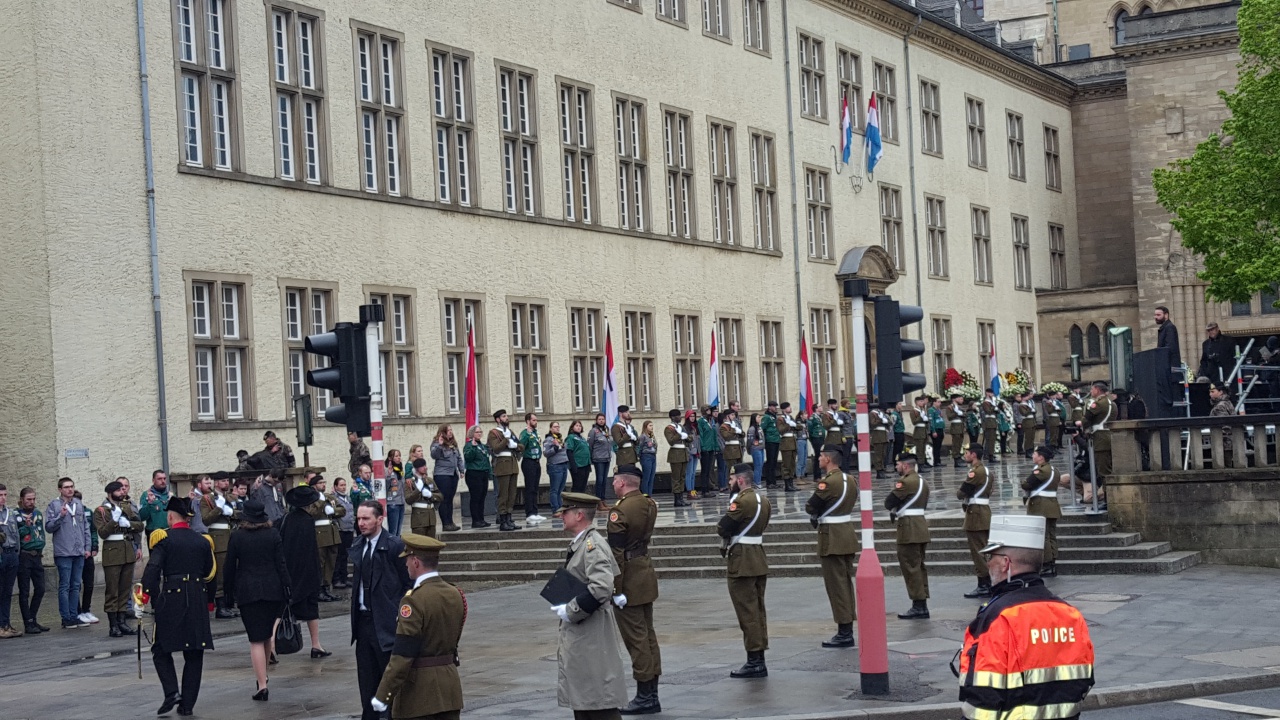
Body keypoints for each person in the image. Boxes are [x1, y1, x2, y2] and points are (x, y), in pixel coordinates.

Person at [956, 515, 1095, 720]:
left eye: (990, 557)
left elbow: (982, 699)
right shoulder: (1070, 615)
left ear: (1005, 563)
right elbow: (1083, 682)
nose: (988, 565)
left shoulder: (999, 618)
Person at [551, 492, 630, 720]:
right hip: (584, 634)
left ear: (578, 515)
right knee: (586, 700)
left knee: (598, 700)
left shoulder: (592, 545)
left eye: (566, 512)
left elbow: (602, 587)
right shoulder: (582, 544)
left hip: (591, 632)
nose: (561, 516)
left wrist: (570, 610)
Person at [370, 533, 466, 720]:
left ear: (415, 562)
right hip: (450, 689)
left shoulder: (413, 600)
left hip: (420, 695)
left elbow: (403, 655)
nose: (405, 565)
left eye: (407, 559)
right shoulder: (455, 593)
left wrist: (384, 695)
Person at [140, 497, 215, 716]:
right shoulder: (203, 541)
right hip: (198, 596)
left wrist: (148, 597)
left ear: (170, 517)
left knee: (161, 648)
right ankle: (187, 705)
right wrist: (210, 602)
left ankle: (172, 691)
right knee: (194, 652)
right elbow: (210, 575)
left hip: (172, 597)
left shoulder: (164, 539)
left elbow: (152, 570)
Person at [606, 466, 662, 714]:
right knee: (648, 636)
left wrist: (615, 588)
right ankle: (652, 692)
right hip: (644, 572)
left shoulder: (620, 511)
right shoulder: (649, 504)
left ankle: (645, 696)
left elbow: (616, 554)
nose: (613, 483)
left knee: (636, 639)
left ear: (622, 483)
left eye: (615, 479)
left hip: (628, 578)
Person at [222, 499, 289, 702]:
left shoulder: (237, 537)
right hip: (273, 588)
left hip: (248, 590)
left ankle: (261, 685)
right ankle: (264, 676)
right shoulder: (273, 534)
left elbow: (229, 567)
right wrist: (287, 588)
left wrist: (227, 593)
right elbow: (281, 563)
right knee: (267, 635)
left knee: (255, 639)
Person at [351, 501, 411, 720]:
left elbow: (408, 583)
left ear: (380, 518)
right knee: (367, 681)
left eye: (366, 519)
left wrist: (398, 612)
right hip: (363, 623)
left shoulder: (393, 546)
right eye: (359, 519)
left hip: (386, 623)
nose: (361, 523)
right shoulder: (359, 545)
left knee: (388, 681)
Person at [717, 463, 771, 677]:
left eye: (731, 480)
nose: (729, 483)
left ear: (740, 480)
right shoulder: (763, 500)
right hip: (758, 556)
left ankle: (755, 660)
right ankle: (759, 657)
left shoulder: (740, 502)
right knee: (758, 610)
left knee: (747, 612)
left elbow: (722, 527)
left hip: (742, 561)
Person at [806, 448, 859, 648]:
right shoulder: (850, 480)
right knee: (845, 583)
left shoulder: (827, 482)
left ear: (828, 459)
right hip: (847, 533)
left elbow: (811, 506)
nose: (819, 459)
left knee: (837, 586)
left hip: (832, 538)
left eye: (820, 456)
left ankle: (844, 631)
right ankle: (846, 628)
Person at [280, 484, 330, 658]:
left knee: (282, 610)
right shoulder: (307, 521)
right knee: (311, 608)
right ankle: (316, 645)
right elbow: (311, 551)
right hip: (307, 572)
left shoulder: (286, 519)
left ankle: (270, 648)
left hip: (289, 570)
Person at [94, 480, 144, 636]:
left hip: (127, 551)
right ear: (110, 493)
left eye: (123, 490)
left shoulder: (126, 508)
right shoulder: (101, 511)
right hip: (112, 553)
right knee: (112, 590)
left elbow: (140, 525)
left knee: (124, 589)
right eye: (119, 490)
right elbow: (102, 533)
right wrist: (114, 521)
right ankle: (113, 625)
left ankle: (122, 622)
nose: (123, 492)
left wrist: (128, 524)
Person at [885, 453, 931, 620]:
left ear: (905, 465)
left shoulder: (904, 482)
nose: (896, 467)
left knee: (911, 567)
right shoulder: (923, 482)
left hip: (909, 529)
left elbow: (888, 502)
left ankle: (918, 605)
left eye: (898, 464)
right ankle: (922, 603)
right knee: (919, 566)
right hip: (920, 526)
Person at [45, 477, 92, 629]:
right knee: (64, 585)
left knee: (76, 585)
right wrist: (61, 516)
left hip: (79, 551)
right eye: (66, 487)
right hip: (64, 552)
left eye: (71, 486)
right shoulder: (54, 505)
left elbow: (85, 527)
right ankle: (66, 618)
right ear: (60, 489)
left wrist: (87, 547)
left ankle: (74, 615)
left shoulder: (78, 504)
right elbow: (49, 527)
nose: (70, 489)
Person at [200, 471, 238, 619]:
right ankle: (220, 607)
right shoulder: (207, 499)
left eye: (227, 481)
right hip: (218, 539)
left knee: (231, 572)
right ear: (216, 483)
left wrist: (232, 513)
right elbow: (206, 519)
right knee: (220, 574)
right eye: (222, 481)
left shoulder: (229, 497)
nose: (225, 483)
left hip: (232, 537)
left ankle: (229, 604)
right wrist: (219, 508)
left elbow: (238, 514)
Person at [956, 447, 993, 598]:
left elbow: (961, 493)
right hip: (984, 511)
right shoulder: (988, 471)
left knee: (978, 551)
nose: (965, 455)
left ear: (974, 455)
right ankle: (988, 581)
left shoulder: (975, 472)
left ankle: (984, 584)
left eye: (967, 453)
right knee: (984, 549)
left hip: (975, 514)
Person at [1023, 445, 1062, 578]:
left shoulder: (1041, 471)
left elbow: (1026, 484)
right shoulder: (1054, 470)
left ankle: (1047, 564)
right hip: (1052, 506)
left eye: (1034, 454)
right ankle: (1052, 563)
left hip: (1041, 507)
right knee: (1051, 535)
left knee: (1044, 537)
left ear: (1041, 457)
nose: (1033, 456)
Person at [306, 475, 346, 601]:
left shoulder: (329, 496)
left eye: (324, 482)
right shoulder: (311, 498)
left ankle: (326, 588)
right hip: (319, 534)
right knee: (320, 562)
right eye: (320, 483)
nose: (323, 484)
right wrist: (321, 503)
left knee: (330, 562)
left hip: (332, 533)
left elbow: (343, 509)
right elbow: (311, 514)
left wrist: (333, 511)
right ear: (314, 486)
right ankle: (319, 589)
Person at [15, 488, 48, 634]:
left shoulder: (37, 514)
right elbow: (16, 535)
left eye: (33, 499)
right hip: (24, 555)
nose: (31, 502)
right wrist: (26, 527)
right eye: (28, 499)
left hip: (37, 555)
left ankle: (33, 618)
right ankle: (27, 622)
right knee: (24, 591)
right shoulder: (16, 515)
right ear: (22, 499)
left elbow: (40, 532)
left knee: (40, 588)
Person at [489, 410, 523, 532]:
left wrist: (514, 445)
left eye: (506, 416)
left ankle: (509, 518)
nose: (506, 418)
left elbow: (521, 446)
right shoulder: (493, 433)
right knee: (503, 495)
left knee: (511, 494)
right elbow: (496, 448)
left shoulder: (510, 432)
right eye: (504, 416)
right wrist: (506, 440)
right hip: (502, 466)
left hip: (513, 465)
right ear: (498, 420)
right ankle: (503, 520)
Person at [1078, 381, 1113, 489]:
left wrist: (1083, 428)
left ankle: (1107, 499)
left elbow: (1086, 419)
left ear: (1097, 390)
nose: (1091, 392)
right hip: (1108, 436)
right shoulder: (1112, 403)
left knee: (1103, 472)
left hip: (1100, 440)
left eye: (1092, 389)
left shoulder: (1098, 404)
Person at [431, 425, 466, 532]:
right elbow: (434, 455)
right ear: (443, 432)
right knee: (444, 499)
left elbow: (459, 457)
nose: (451, 432)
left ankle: (450, 522)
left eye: (451, 430)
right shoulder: (437, 443)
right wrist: (440, 445)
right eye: (448, 430)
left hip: (452, 474)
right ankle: (445, 523)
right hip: (442, 475)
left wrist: (461, 470)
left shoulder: (453, 444)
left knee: (450, 499)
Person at [74, 490, 100, 626]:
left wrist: (94, 547)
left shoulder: (88, 512)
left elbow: (93, 531)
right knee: (76, 584)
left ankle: (86, 609)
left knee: (89, 584)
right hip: (75, 554)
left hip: (88, 553)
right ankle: (77, 611)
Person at [519, 414, 547, 524]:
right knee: (530, 488)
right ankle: (529, 513)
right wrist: (528, 435)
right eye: (534, 420)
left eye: (536, 420)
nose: (536, 422)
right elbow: (521, 446)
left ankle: (535, 512)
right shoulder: (525, 433)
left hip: (536, 461)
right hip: (528, 462)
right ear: (528, 421)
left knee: (535, 488)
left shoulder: (535, 433)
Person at [0, 484, 20, 638]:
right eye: (0, 495)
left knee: (8, 592)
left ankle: (6, 624)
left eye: (5, 495)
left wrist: (17, 553)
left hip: (11, 554)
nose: (3, 498)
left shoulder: (11, 513)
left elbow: (16, 535)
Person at [463, 426, 493, 528]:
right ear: (472, 434)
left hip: (483, 473)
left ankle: (481, 519)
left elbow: (486, 460)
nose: (479, 434)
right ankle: (475, 520)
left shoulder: (483, 446)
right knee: (475, 497)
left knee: (482, 497)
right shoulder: (469, 445)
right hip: (474, 474)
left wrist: (490, 473)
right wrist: (473, 448)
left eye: (480, 432)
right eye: (477, 432)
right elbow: (468, 458)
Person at [405, 458, 440, 539]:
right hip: (418, 518)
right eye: (422, 466)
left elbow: (440, 496)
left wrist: (431, 495)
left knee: (431, 544)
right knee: (420, 544)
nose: (425, 468)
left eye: (425, 465)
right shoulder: (410, 482)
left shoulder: (429, 480)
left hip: (431, 517)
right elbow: (408, 500)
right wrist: (417, 490)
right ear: (416, 469)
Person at [332, 478, 355, 589]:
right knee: (338, 556)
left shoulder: (348, 498)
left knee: (345, 555)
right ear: (336, 487)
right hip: (340, 530)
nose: (343, 487)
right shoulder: (334, 499)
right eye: (341, 485)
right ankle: (337, 579)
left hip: (349, 529)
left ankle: (344, 578)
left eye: (344, 485)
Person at [664, 410, 691, 506]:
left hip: (683, 453)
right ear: (672, 417)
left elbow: (689, 438)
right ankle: (677, 500)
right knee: (676, 478)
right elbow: (671, 441)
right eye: (678, 416)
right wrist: (679, 435)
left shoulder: (681, 427)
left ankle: (681, 498)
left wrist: (686, 436)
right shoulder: (669, 429)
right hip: (675, 454)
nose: (680, 417)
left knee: (682, 477)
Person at [588, 412, 615, 504]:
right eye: (599, 419)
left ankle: (603, 500)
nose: (601, 421)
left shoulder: (606, 430)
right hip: (598, 458)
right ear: (596, 420)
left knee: (604, 480)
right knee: (599, 480)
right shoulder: (594, 431)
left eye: (603, 419)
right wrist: (591, 458)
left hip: (607, 457)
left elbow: (610, 442)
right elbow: (590, 445)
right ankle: (598, 501)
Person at [696, 406, 722, 498]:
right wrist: (703, 448)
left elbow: (714, 435)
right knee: (705, 470)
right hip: (705, 449)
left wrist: (715, 447)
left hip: (711, 448)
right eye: (708, 410)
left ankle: (707, 489)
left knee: (709, 469)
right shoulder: (701, 422)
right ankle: (704, 489)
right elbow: (701, 436)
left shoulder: (711, 421)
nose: (710, 412)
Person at [566, 419, 593, 497]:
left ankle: (581, 504)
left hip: (585, 464)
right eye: (576, 425)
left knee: (583, 486)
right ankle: (575, 504)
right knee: (577, 485)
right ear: (572, 427)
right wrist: (573, 465)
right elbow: (569, 451)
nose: (578, 427)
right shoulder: (571, 437)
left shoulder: (582, 438)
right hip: (578, 465)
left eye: (580, 426)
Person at [1154, 305, 1182, 377]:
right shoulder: (1165, 328)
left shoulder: (1169, 327)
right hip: (1167, 368)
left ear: (1166, 315)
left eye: (1158, 315)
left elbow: (1170, 348)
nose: (1155, 317)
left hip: (1169, 369)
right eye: (1155, 315)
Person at [778, 402, 799, 492]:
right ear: (784, 409)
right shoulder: (780, 419)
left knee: (792, 464)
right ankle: (787, 485)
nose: (790, 408)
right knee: (786, 465)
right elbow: (780, 430)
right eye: (788, 407)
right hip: (786, 444)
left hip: (792, 442)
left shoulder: (790, 418)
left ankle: (791, 483)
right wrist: (788, 424)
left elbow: (799, 427)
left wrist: (794, 425)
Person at [386, 448, 408, 536]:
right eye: (396, 456)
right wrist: (388, 476)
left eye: (399, 456)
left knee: (399, 531)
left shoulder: (400, 471)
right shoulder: (387, 470)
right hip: (392, 503)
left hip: (401, 502)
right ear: (390, 458)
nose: (399, 458)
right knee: (393, 531)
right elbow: (384, 487)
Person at [612, 405, 641, 470]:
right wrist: (628, 435)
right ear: (620, 413)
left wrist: (635, 438)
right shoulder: (616, 427)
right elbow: (619, 442)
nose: (628, 414)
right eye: (626, 412)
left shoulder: (629, 427)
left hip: (632, 455)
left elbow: (636, 442)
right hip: (624, 456)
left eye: (628, 412)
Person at [760, 401, 781, 488]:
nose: (776, 408)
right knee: (770, 461)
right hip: (770, 441)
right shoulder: (766, 417)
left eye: (776, 406)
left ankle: (773, 481)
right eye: (774, 406)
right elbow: (762, 429)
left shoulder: (774, 416)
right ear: (769, 407)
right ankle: (769, 482)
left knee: (774, 462)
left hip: (776, 440)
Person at [637, 422, 658, 497]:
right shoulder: (643, 436)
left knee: (651, 478)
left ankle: (650, 495)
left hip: (653, 456)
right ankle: (645, 495)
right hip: (646, 456)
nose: (652, 427)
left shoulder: (652, 436)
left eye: (652, 425)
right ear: (646, 427)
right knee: (646, 477)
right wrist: (639, 456)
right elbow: (639, 447)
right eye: (650, 425)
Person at [947, 394, 968, 467]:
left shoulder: (959, 407)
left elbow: (965, 414)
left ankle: (959, 457)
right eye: (958, 398)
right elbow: (949, 417)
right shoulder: (950, 407)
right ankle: (956, 459)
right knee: (955, 444)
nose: (960, 399)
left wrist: (961, 413)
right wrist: (956, 413)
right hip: (955, 427)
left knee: (959, 443)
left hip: (961, 426)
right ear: (954, 399)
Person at [908, 396, 930, 468]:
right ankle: (920, 465)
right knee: (919, 449)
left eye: (922, 401)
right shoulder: (913, 411)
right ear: (916, 402)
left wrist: (926, 420)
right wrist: (921, 417)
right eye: (920, 401)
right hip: (918, 431)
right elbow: (914, 422)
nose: (922, 403)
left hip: (924, 431)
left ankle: (923, 463)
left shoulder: (923, 410)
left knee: (923, 448)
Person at [869, 405, 890, 478]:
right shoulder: (872, 413)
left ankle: (882, 470)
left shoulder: (881, 413)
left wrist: (887, 419)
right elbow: (872, 424)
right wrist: (880, 419)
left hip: (884, 435)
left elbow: (889, 423)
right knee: (878, 455)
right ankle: (879, 471)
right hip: (877, 436)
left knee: (883, 454)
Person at [806, 406, 826, 480]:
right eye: (820, 407)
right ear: (816, 409)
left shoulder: (820, 416)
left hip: (821, 437)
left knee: (820, 455)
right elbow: (810, 428)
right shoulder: (813, 417)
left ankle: (819, 475)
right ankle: (816, 476)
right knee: (817, 456)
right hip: (816, 437)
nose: (821, 408)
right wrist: (812, 437)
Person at [980, 390, 1000, 464]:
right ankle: (989, 455)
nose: (992, 394)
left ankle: (991, 454)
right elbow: (988, 411)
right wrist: (994, 408)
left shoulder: (992, 402)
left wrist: (995, 409)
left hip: (993, 422)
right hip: (989, 423)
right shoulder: (986, 402)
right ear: (987, 393)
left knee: (992, 439)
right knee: (990, 440)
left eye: (992, 393)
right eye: (991, 393)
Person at [795, 409, 810, 481]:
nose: (807, 415)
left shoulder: (806, 422)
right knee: (800, 459)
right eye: (805, 414)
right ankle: (798, 476)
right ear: (801, 415)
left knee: (804, 459)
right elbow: (797, 428)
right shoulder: (798, 422)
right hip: (800, 440)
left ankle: (803, 475)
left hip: (805, 439)